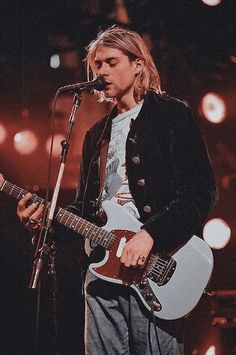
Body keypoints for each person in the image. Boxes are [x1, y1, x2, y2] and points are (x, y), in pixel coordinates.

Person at [17, 25, 217, 355]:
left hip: (155, 266)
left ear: (138, 63)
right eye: (97, 65)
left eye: (111, 62)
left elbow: (199, 192)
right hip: (102, 271)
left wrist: (151, 235)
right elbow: (85, 209)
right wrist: (45, 219)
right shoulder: (97, 133)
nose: (102, 72)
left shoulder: (172, 116)